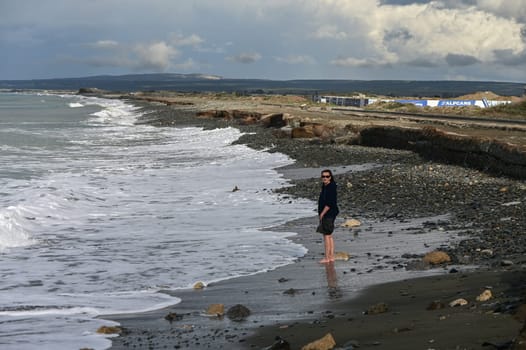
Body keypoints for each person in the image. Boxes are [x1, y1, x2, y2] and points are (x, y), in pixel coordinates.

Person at [316, 169, 339, 263]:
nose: (325, 178)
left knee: (326, 235)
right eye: (323, 176)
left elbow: (330, 202)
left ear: (330, 177)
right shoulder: (325, 186)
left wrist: (322, 213)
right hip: (329, 213)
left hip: (329, 213)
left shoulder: (331, 187)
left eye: (327, 176)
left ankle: (327, 257)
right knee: (329, 235)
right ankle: (331, 256)